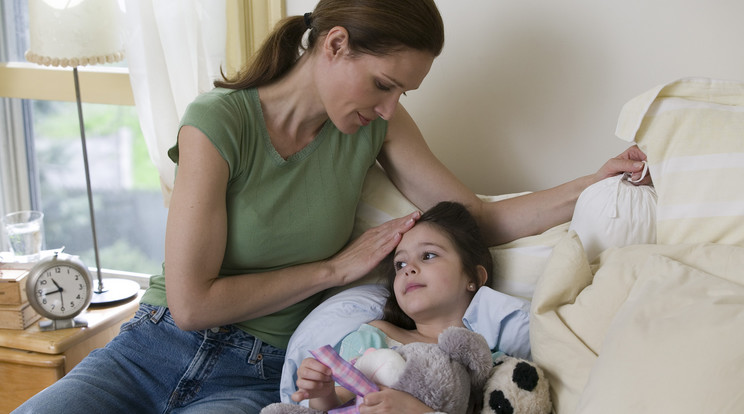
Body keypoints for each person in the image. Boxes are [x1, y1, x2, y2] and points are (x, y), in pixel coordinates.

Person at [13, 1, 649, 413]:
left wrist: (592, 183)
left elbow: (475, 215)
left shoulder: (374, 129)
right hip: (150, 351)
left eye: (403, 91)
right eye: (383, 83)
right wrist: (334, 271)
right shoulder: (218, 123)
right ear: (335, 44)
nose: (390, 106)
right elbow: (191, 303)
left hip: (259, 377)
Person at [292, 201, 527, 413]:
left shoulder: (486, 361)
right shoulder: (375, 336)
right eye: (400, 263)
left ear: (473, 277)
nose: (408, 269)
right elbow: (336, 403)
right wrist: (322, 394)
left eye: (428, 255)